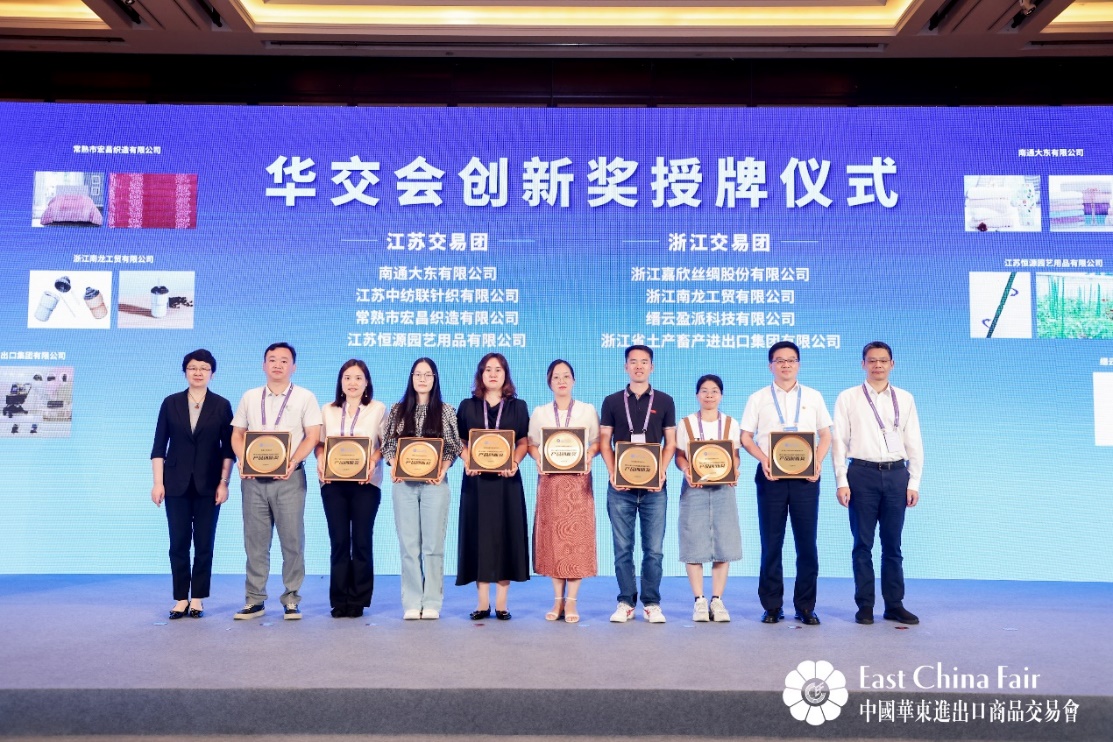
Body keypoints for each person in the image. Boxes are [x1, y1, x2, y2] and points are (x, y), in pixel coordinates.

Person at [832, 341, 924, 626]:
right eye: (872, 360)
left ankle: (894, 604)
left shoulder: (905, 398)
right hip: (861, 474)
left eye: (883, 360)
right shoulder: (848, 397)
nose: (878, 365)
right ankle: (865, 606)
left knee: (893, 545)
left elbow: (914, 441)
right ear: (863, 364)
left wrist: (914, 481)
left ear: (892, 364)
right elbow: (839, 442)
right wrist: (841, 480)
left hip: (897, 475)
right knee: (862, 544)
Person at [740, 340, 832, 626]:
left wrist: (817, 461)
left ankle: (805, 606)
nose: (786, 365)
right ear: (771, 366)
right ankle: (772, 606)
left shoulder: (814, 396)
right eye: (779, 360)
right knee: (771, 543)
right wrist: (763, 459)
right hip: (771, 478)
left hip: (806, 479)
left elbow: (826, 435)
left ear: (798, 364)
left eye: (791, 360)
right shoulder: (758, 398)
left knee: (807, 544)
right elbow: (745, 437)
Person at [230, 342, 322, 620]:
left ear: (293, 367)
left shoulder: (305, 397)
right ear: (264, 365)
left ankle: (291, 598)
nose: (278, 365)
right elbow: (237, 434)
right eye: (272, 359)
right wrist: (242, 459)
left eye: (284, 360)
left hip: (290, 478)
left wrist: (293, 461)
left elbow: (313, 436)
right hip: (253, 480)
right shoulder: (250, 396)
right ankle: (254, 600)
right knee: (255, 542)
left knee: (292, 540)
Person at [150, 349, 234, 620]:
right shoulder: (171, 402)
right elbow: (159, 446)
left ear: (212, 374)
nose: (198, 372)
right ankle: (180, 598)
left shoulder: (221, 405)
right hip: (175, 484)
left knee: (204, 543)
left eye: (204, 368)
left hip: (209, 485)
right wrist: (157, 483)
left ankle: (197, 598)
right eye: (193, 368)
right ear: (185, 371)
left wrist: (224, 483)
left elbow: (228, 450)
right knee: (178, 543)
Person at [599, 344, 676, 624]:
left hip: (655, 489)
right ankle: (625, 602)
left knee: (654, 550)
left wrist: (661, 472)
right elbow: (604, 441)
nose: (639, 366)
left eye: (644, 362)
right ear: (626, 367)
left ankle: (652, 603)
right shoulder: (611, 401)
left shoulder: (665, 401)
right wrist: (612, 472)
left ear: (652, 367)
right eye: (633, 361)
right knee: (623, 549)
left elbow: (671, 442)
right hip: (620, 489)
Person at [380, 357, 461, 620]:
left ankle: (433, 601)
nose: (422, 379)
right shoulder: (397, 409)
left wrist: (443, 469)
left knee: (433, 546)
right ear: (411, 378)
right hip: (403, 485)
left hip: (434, 486)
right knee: (409, 546)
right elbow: (388, 445)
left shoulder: (446, 410)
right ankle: (412, 602)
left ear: (435, 379)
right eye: (418, 374)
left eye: (428, 375)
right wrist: (394, 465)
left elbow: (453, 447)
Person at [457, 352, 530, 620]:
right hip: (476, 482)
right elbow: (460, 441)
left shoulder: (518, 407)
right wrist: (467, 459)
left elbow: (523, 441)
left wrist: (515, 461)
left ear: (505, 374)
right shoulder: (467, 406)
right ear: (480, 374)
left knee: (505, 536)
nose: (493, 374)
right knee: (478, 537)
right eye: (488, 369)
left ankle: (501, 604)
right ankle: (481, 604)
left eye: (498, 369)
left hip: (507, 482)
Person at [527, 359, 599, 624]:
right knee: (555, 544)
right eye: (556, 377)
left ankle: (572, 602)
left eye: (566, 376)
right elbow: (532, 444)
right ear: (549, 382)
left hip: (578, 482)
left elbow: (596, 442)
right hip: (551, 483)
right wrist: (538, 459)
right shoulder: (540, 412)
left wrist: (588, 455)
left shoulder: (587, 410)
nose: (561, 381)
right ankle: (557, 600)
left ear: (574, 380)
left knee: (576, 542)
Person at [315, 359, 386, 619]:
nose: (352, 383)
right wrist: (320, 458)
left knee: (362, 541)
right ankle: (339, 599)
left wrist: (372, 462)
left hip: (366, 484)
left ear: (366, 382)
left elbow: (385, 444)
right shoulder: (327, 410)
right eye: (347, 377)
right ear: (340, 382)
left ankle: (358, 599)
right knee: (339, 541)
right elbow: (319, 443)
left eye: (358, 378)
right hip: (333, 484)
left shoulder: (378, 409)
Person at [673, 374, 743, 623]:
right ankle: (699, 600)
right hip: (694, 489)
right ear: (697, 395)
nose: (709, 395)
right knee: (693, 542)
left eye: (714, 391)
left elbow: (735, 456)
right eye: (704, 390)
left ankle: (717, 599)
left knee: (724, 543)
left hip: (724, 490)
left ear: (721, 395)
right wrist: (686, 470)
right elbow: (679, 456)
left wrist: (735, 469)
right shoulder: (686, 423)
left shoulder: (731, 423)